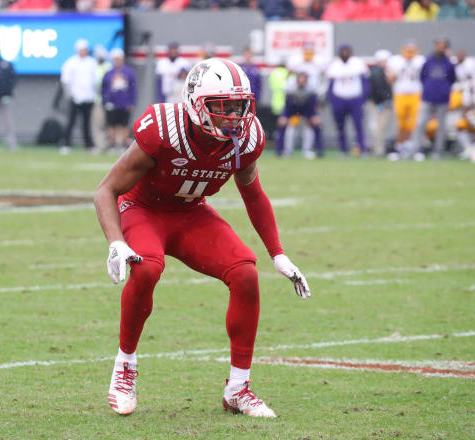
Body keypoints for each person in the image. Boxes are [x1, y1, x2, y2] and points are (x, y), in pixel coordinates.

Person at [94, 58, 311, 418]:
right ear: (196, 103)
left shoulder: (248, 137)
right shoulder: (164, 127)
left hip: (191, 213)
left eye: (239, 106)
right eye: (223, 107)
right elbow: (106, 190)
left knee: (245, 272)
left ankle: (238, 388)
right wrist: (116, 242)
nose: (233, 117)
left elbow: (254, 195)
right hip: (144, 209)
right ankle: (125, 366)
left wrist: (278, 254)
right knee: (147, 269)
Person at [410, 37, 456, 160]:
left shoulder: (449, 63)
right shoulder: (428, 61)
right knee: (420, 124)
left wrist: (444, 90)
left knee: (441, 127)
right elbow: (423, 77)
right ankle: (415, 149)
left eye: (442, 45)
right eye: (438, 45)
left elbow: (451, 79)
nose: (440, 47)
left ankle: (438, 151)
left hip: (442, 99)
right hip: (428, 97)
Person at [326, 44, 369, 156]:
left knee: (358, 126)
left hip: (355, 99)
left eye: (346, 51)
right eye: (342, 51)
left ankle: (362, 149)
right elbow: (330, 83)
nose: (345, 53)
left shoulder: (357, 63)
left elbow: (364, 81)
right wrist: (332, 99)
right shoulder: (335, 65)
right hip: (339, 98)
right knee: (340, 126)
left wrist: (363, 98)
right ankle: (343, 149)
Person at [387, 41, 425, 158]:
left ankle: (415, 148)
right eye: (407, 49)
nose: (409, 52)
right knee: (400, 124)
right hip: (400, 94)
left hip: (416, 94)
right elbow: (390, 78)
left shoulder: (420, 60)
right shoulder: (395, 61)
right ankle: (399, 148)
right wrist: (393, 74)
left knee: (415, 124)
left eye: (412, 49)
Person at [60, 39, 98, 154]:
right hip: (75, 97)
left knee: (86, 123)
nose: (83, 52)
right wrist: (69, 95)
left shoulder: (92, 62)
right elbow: (65, 80)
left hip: (88, 97)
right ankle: (66, 144)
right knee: (71, 121)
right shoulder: (71, 62)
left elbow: (95, 81)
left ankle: (88, 145)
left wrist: (95, 95)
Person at [279, 71, 324, 158]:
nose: (302, 81)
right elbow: (287, 105)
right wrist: (284, 116)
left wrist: (314, 116)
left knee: (315, 124)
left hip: (306, 110)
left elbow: (312, 105)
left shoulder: (311, 89)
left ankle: (314, 150)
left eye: (304, 79)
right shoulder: (290, 89)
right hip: (292, 110)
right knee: (284, 124)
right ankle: (283, 151)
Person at [101, 48, 137, 151]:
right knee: (111, 125)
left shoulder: (129, 72)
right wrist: (105, 101)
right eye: (115, 59)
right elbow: (103, 88)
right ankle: (112, 144)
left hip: (124, 102)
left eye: (119, 58)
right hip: (112, 102)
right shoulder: (108, 73)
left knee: (124, 125)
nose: (117, 60)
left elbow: (133, 88)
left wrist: (131, 102)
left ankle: (122, 145)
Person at [368, 49, 393, 157]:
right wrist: (384, 101)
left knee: (378, 128)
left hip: (377, 102)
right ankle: (379, 150)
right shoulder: (378, 71)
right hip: (378, 103)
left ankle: (378, 149)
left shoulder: (377, 71)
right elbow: (378, 89)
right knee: (379, 128)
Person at [92, 45, 112, 153]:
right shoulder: (93, 66)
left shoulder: (108, 67)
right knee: (98, 124)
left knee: (108, 124)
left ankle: (108, 144)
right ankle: (100, 145)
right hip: (97, 100)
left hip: (108, 100)